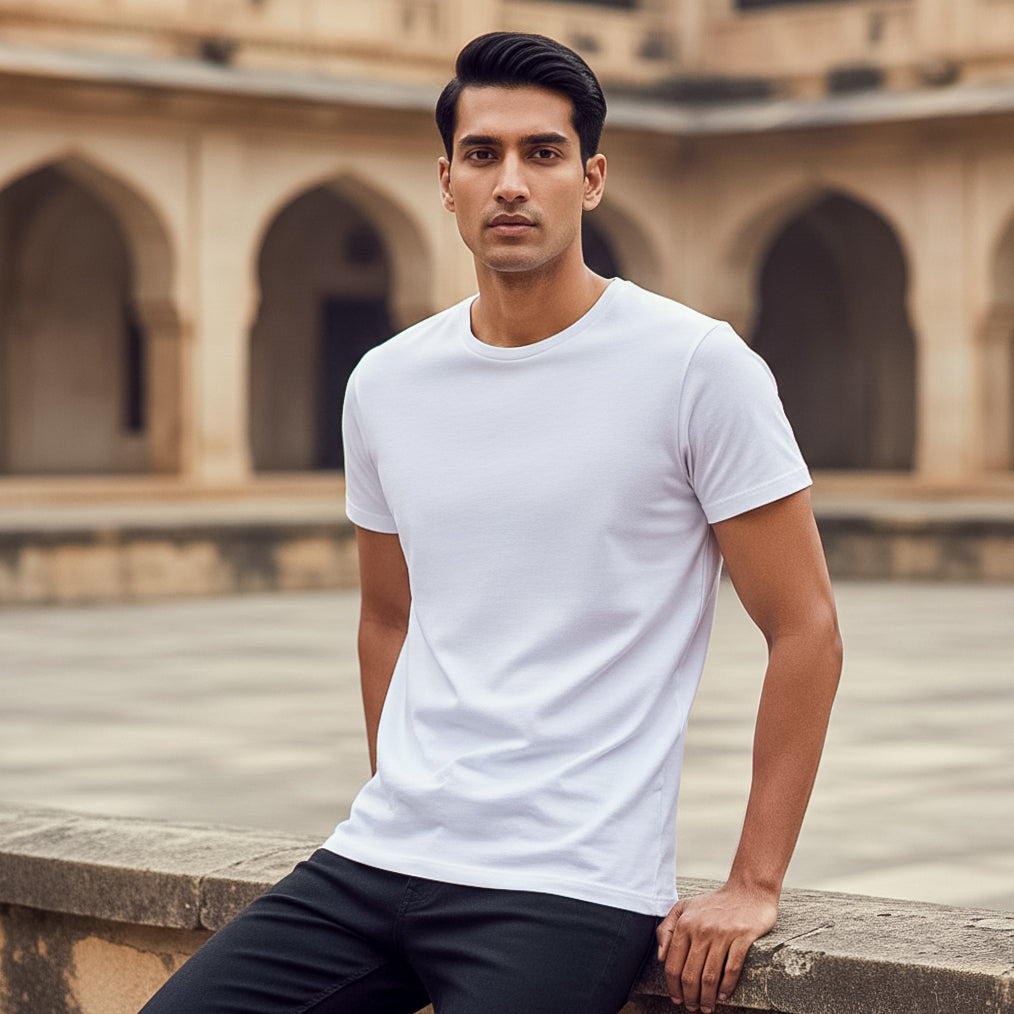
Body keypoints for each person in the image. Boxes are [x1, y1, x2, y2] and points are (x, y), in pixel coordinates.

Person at [140, 30, 841, 1014]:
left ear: (591, 179)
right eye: (484, 154)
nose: (511, 181)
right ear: (447, 181)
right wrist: (412, 797)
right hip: (379, 858)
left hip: (566, 884)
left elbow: (805, 626)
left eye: (542, 153)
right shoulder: (386, 383)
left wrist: (753, 882)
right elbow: (387, 618)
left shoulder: (696, 368)